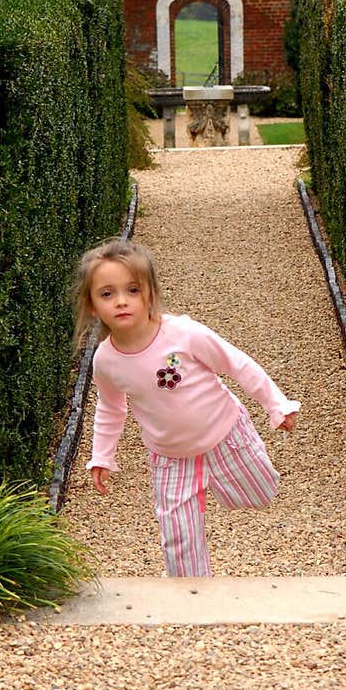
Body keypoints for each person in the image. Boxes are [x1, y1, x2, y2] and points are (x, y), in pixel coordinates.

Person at [71, 237, 300, 577]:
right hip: (169, 456)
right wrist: (102, 456)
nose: (121, 301)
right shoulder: (105, 360)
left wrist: (276, 404)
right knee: (177, 535)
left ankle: (217, 480)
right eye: (107, 294)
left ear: (150, 293)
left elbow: (236, 363)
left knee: (260, 494)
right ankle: (193, 596)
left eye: (132, 290)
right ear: (91, 305)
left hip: (224, 434)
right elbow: (110, 408)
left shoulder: (184, 334)